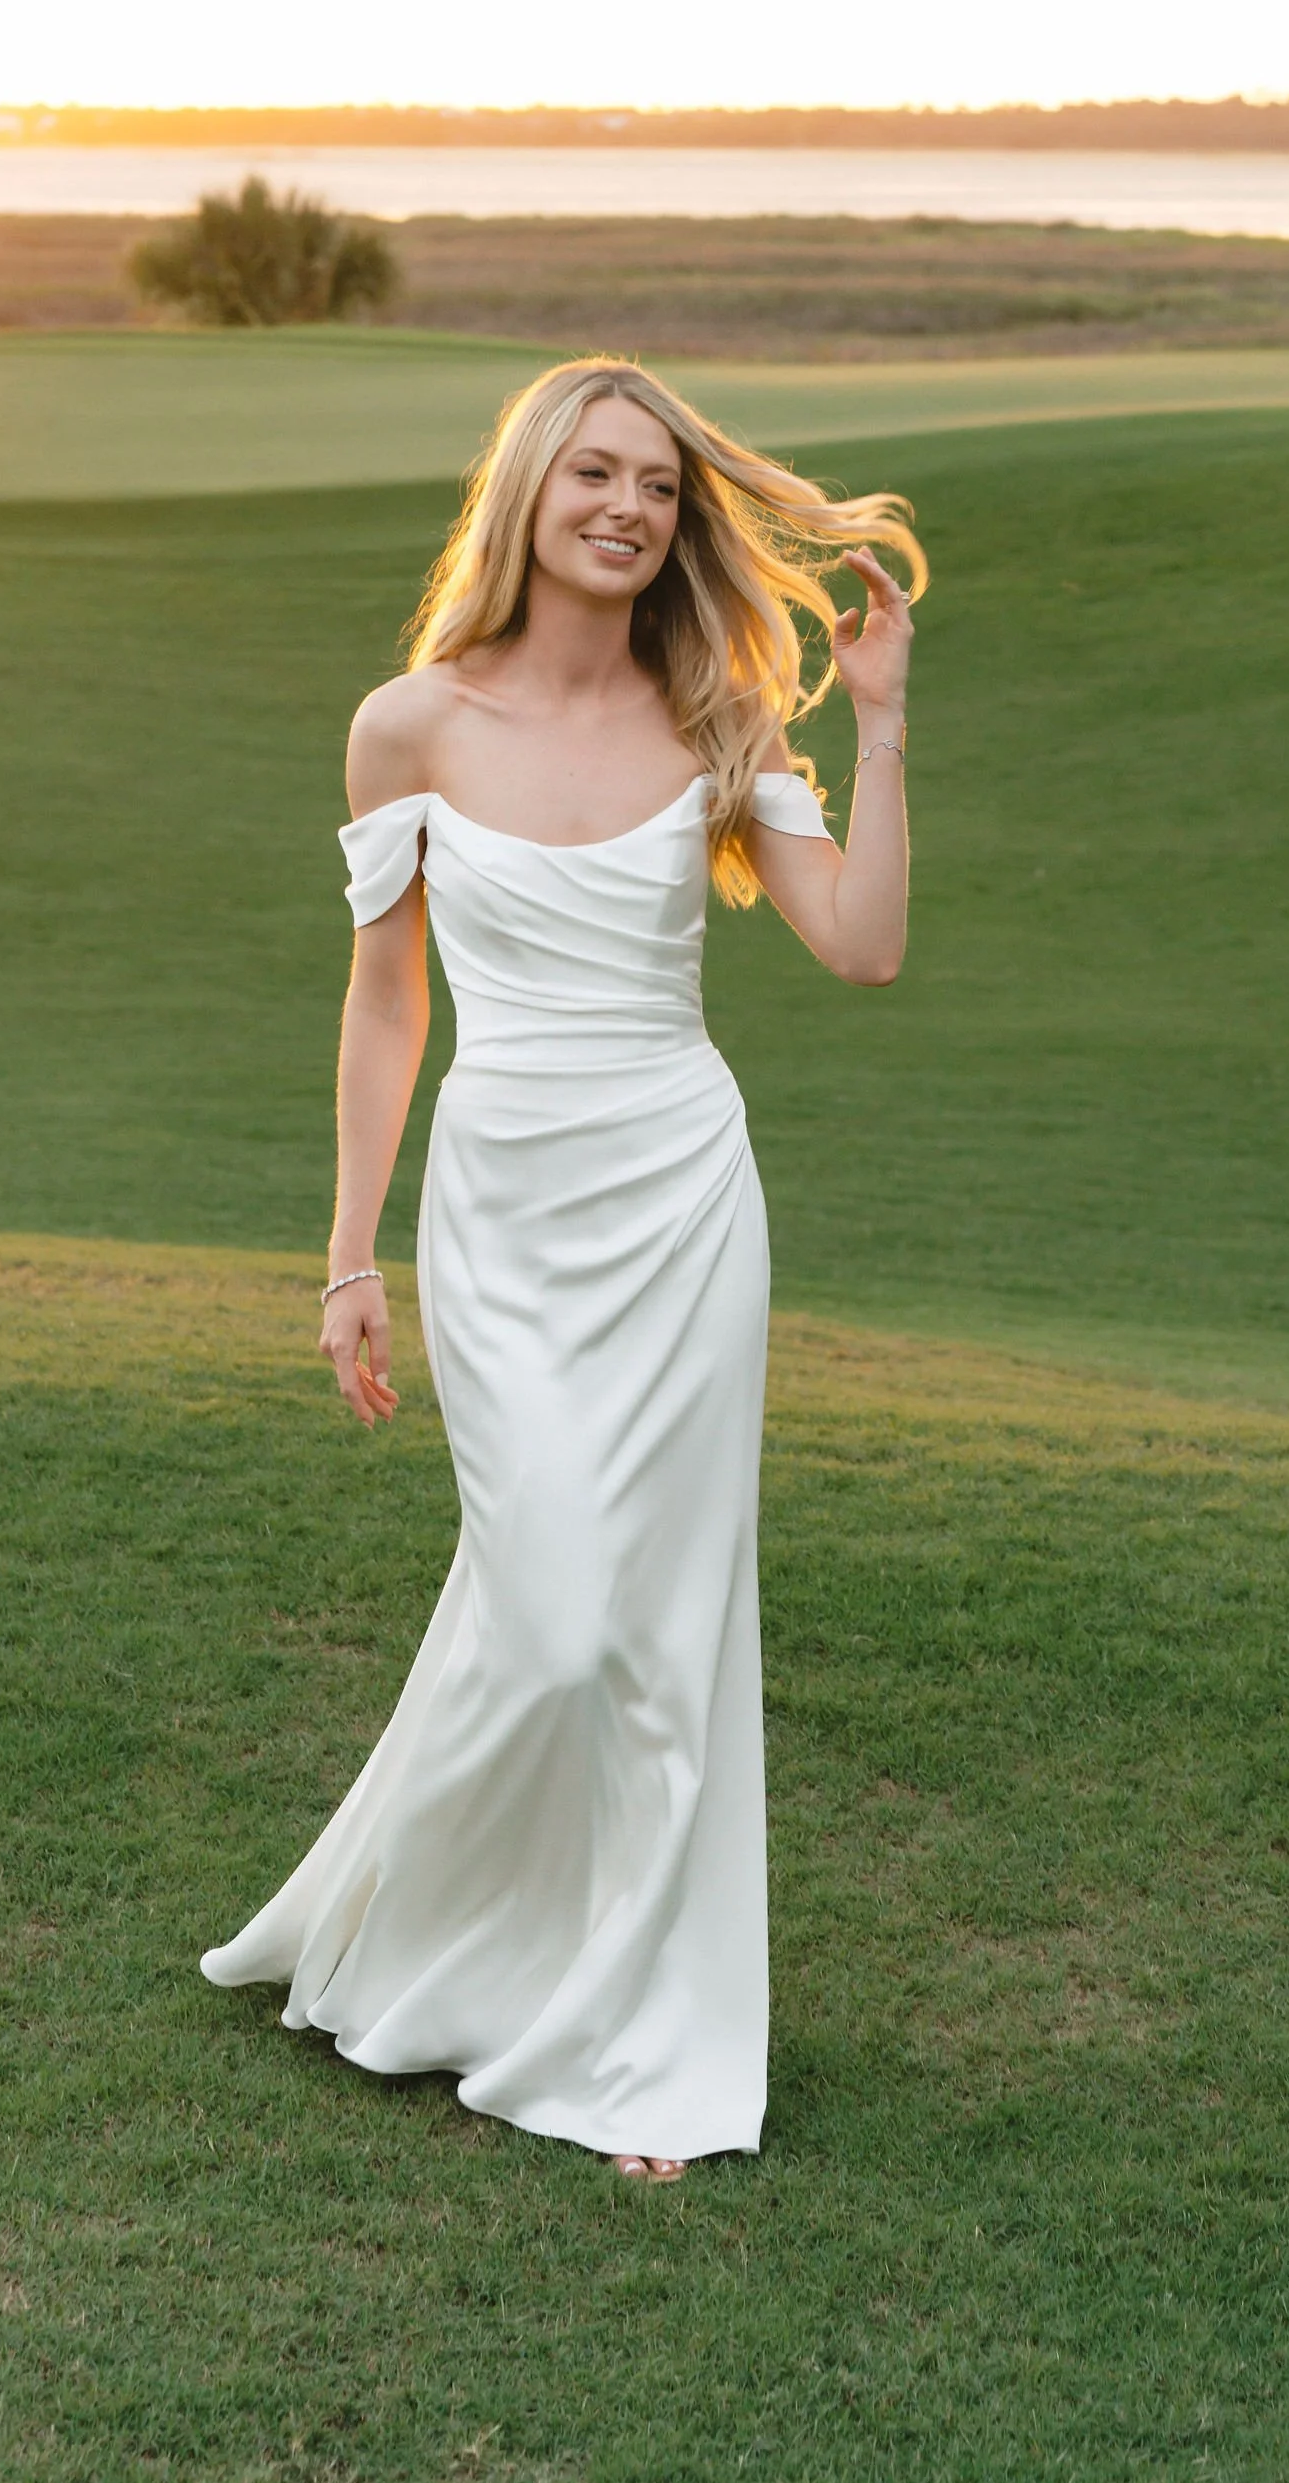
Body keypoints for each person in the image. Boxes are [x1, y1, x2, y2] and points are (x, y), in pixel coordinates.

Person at [202, 358, 922, 2181]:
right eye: (593, 473)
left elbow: (861, 951)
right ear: (527, 490)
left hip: (683, 1199)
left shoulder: (727, 714)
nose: (626, 507)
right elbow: (387, 1003)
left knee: (662, 1638)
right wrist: (346, 1254)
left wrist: (885, 724)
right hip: (504, 1209)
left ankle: (638, 2047)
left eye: (660, 489)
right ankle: (418, 1945)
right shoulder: (410, 726)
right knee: (548, 1614)